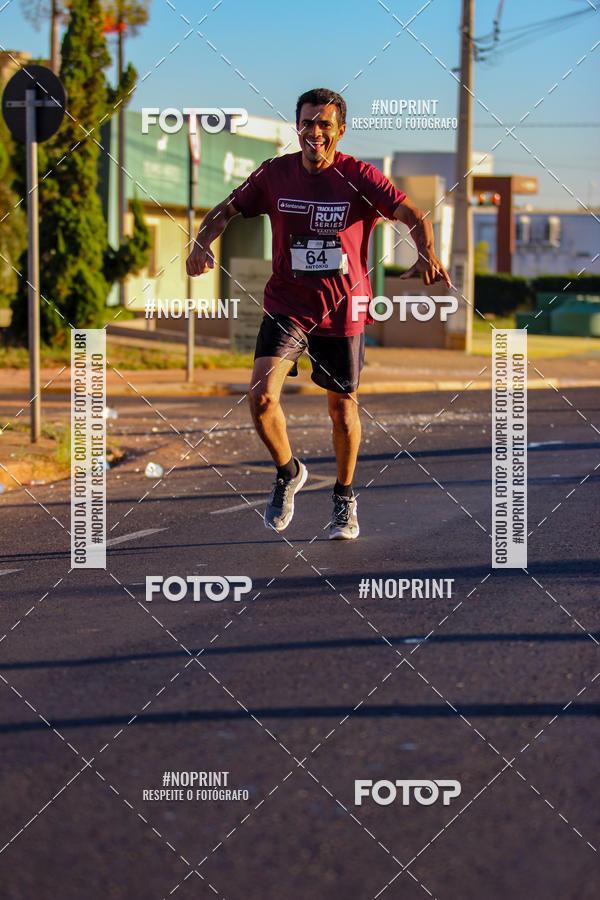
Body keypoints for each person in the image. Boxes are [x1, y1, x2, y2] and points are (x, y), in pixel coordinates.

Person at [186, 87, 450, 540]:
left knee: (341, 410)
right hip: (287, 305)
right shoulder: (275, 174)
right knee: (261, 396)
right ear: (297, 127)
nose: (314, 132)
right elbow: (227, 209)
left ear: (339, 131)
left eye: (324, 124)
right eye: (307, 123)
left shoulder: (359, 177)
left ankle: (344, 499)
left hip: (343, 309)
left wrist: (426, 252)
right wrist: (200, 240)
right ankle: (288, 472)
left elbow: (414, 214)